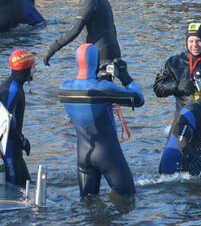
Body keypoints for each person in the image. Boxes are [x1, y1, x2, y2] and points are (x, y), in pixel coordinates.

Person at [59, 43, 144, 198]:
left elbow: (86, 91)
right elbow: (138, 99)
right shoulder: (104, 88)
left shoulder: (64, 87)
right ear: (96, 62)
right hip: (107, 154)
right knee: (127, 199)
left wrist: (100, 80)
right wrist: (124, 75)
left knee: (87, 204)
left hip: (83, 155)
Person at [42, 0, 121, 68]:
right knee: (106, 83)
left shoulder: (90, 0)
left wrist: (51, 50)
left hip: (101, 54)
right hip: (110, 50)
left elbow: (74, 31)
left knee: (97, 83)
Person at [0, 49, 38, 189]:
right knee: (11, 191)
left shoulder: (15, 85)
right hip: (7, 151)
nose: (36, 70)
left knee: (26, 187)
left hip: (14, 147)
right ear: (25, 69)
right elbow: (2, 124)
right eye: (33, 67)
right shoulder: (12, 89)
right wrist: (22, 140)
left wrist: (20, 141)